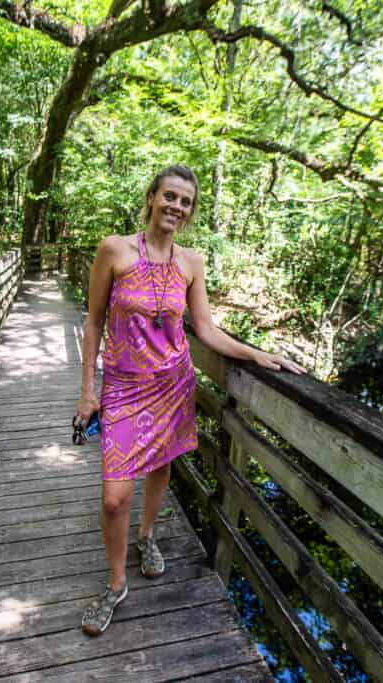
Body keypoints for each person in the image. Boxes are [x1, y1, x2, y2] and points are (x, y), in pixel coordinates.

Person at [76, 164, 305, 636]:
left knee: (161, 465)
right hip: (122, 387)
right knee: (115, 498)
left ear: (190, 210)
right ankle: (116, 585)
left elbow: (205, 331)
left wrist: (259, 354)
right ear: (152, 197)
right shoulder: (114, 250)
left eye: (186, 201)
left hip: (172, 385)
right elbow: (94, 321)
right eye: (170, 196)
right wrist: (87, 390)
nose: (176, 206)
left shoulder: (191, 263)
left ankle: (147, 537)